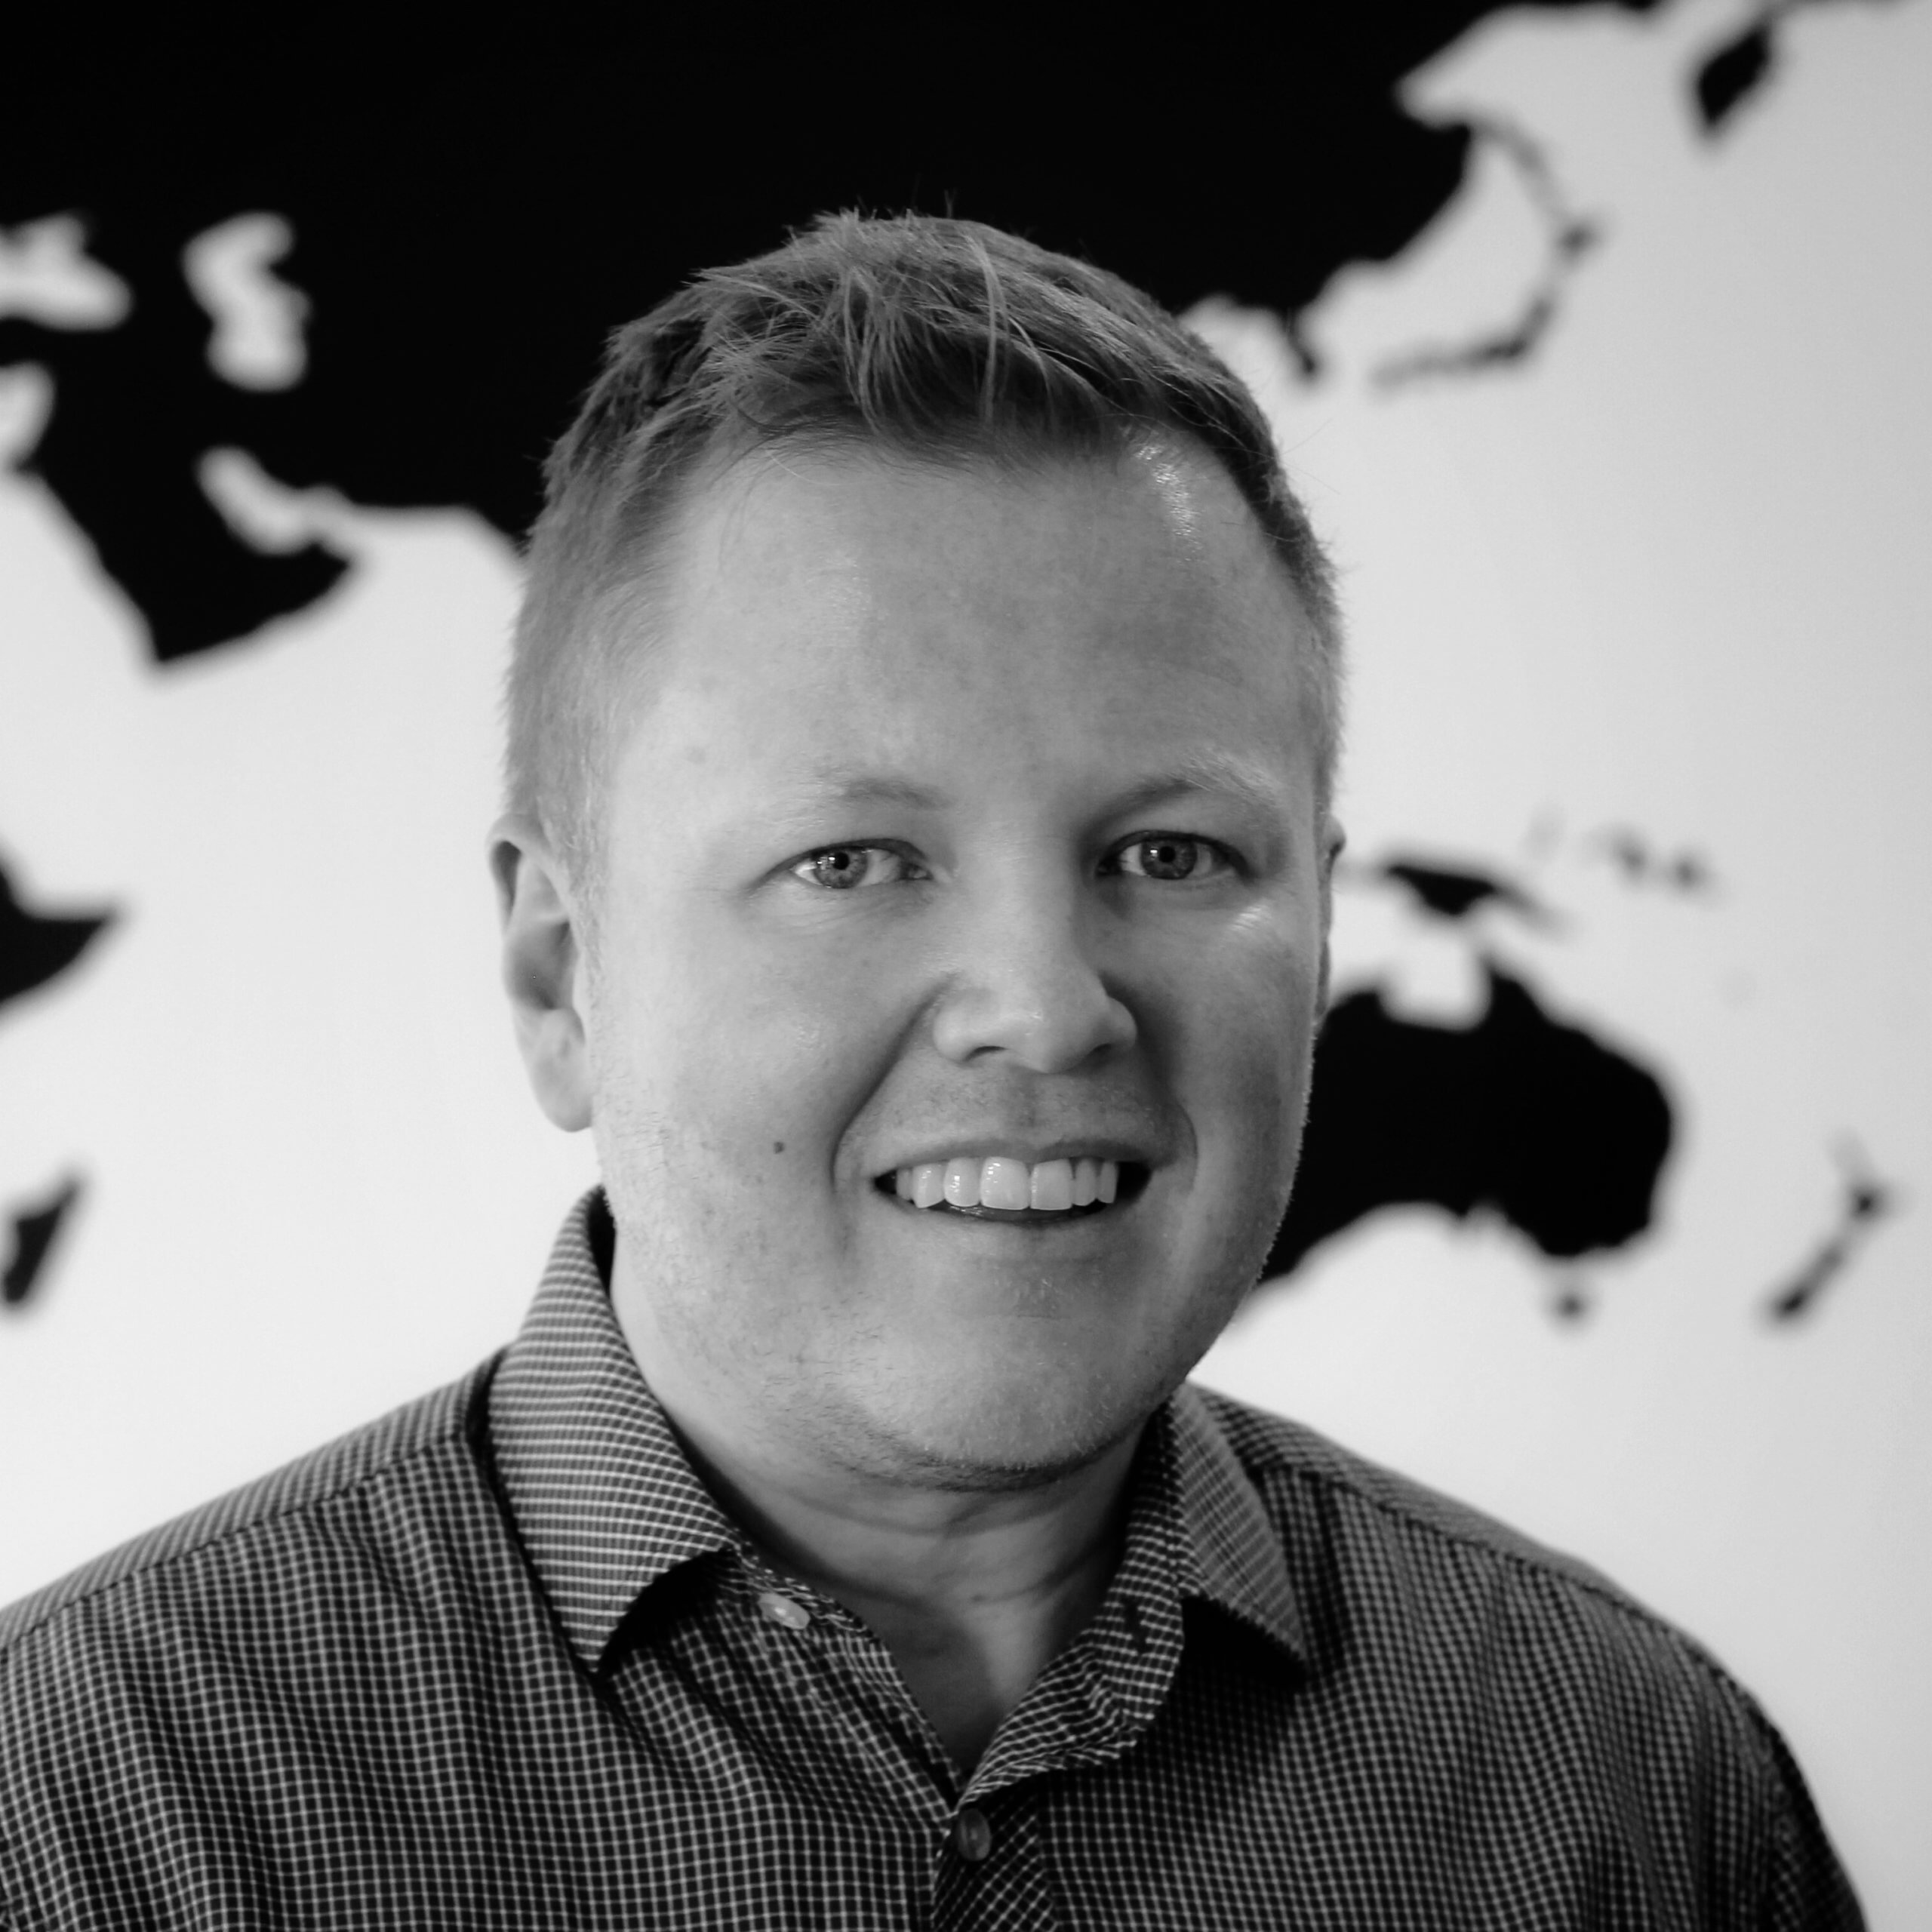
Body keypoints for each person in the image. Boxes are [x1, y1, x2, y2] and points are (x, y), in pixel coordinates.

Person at [0, 211, 1860, 1927]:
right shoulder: (85, 1812)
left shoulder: (1633, 1796)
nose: (1046, 1009)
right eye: (852, 861)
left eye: (1170, 853)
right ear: (562, 970)